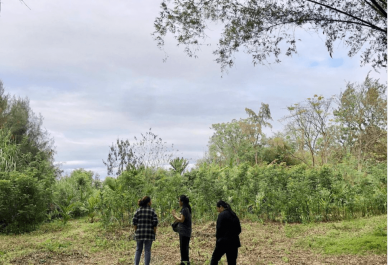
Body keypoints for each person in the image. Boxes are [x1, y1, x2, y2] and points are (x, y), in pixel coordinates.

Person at [210, 200, 241, 265]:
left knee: (214, 259)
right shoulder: (233, 214)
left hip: (223, 242)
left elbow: (219, 230)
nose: (217, 210)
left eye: (217, 208)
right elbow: (239, 229)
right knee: (232, 262)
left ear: (221, 207)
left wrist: (218, 241)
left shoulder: (222, 215)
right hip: (234, 242)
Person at [132, 196, 158, 265]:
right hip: (149, 234)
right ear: (149, 202)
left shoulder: (138, 211)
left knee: (138, 250)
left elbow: (134, 223)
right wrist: (154, 233)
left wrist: (136, 231)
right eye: (151, 201)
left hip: (139, 234)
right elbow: (155, 224)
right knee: (147, 251)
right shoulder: (152, 211)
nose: (151, 202)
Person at [172, 195, 192, 265]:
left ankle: (183, 262)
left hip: (184, 231)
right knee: (185, 247)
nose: (179, 202)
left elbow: (181, 220)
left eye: (179, 201)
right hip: (187, 231)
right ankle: (186, 261)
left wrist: (174, 215)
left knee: (183, 247)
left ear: (182, 202)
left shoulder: (184, 209)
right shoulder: (187, 209)